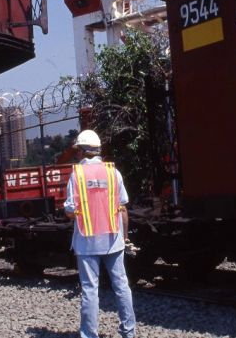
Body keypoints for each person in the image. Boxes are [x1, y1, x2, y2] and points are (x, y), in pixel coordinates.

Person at [64, 130, 136, 338]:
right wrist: (125, 238)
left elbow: (70, 211)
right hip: (113, 238)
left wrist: (71, 210)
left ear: (82, 151)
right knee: (122, 285)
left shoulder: (76, 175)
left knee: (89, 289)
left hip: (87, 242)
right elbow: (122, 208)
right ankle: (128, 333)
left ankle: (89, 335)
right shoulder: (113, 173)